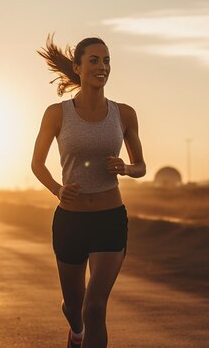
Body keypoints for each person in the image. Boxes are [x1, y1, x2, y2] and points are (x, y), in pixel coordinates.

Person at [32, 35, 146, 348]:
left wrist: (125, 168)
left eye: (106, 60)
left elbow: (142, 167)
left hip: (110, 219)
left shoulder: (124, 114)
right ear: (77, 67)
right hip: (71, 221)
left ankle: (84, 329)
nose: (102, 66)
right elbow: (36, 164)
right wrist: (57, 189)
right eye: (94, 60)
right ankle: (76, 332)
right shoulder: (57, 114)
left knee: (95, 308)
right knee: (75, 307)